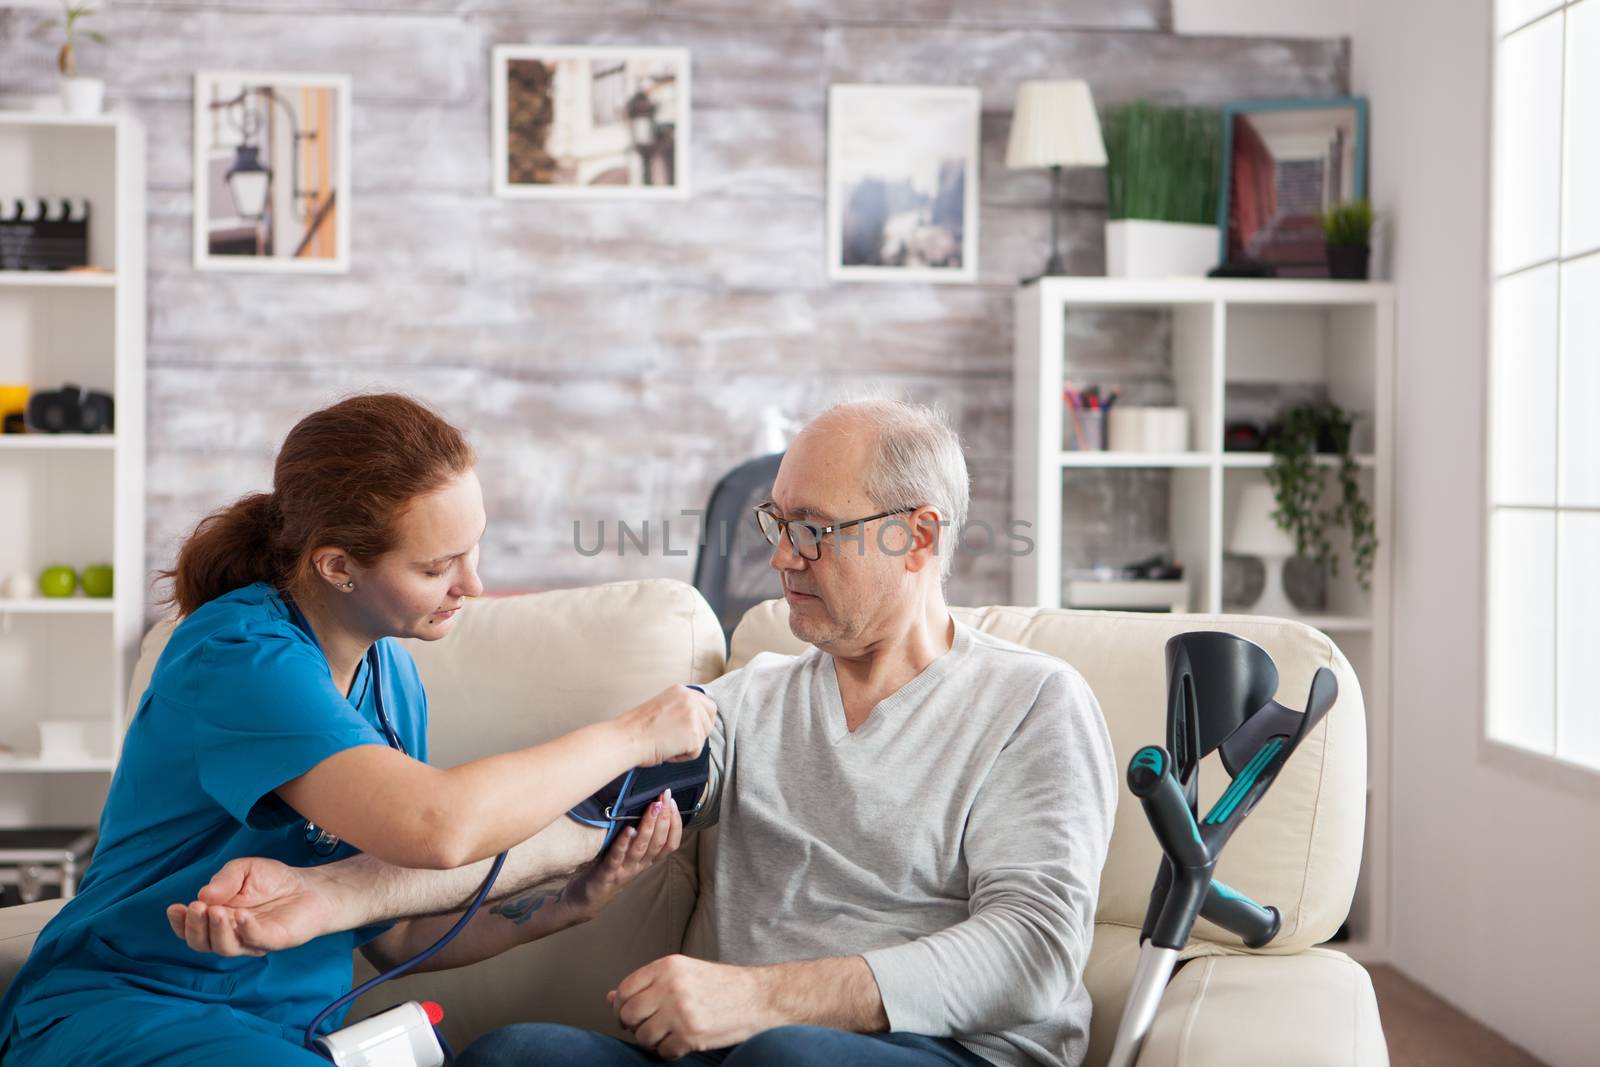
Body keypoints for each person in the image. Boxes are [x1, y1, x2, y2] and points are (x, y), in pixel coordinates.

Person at [170, 398, 1118, 1067]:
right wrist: (327, 895)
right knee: (514, 1055)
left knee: (790, 1057)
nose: (780, 557)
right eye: (776, 523)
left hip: (928, 1051)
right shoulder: (750, 702)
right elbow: (560, 831)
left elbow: (1032, 951)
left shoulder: (1032, 701)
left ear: (916, 537)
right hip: (735, 1046)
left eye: (814, 530)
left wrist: (758, 998)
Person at [0, 393, 714, 1066]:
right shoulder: (239, 657)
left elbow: (398, 930)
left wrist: (570, 902)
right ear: (338, 565)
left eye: (473, 550)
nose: (474, 584)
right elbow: (438, 827)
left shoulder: (391, 678)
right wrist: (634, 734)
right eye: (437, 567)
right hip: (129, 1011)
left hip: (281, 1038)